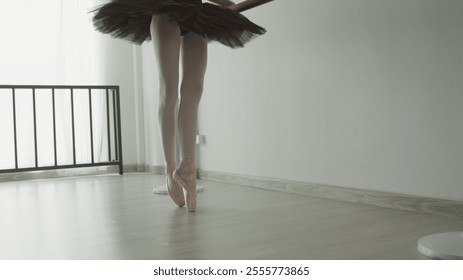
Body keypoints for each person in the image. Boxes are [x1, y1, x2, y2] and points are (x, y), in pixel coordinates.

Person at [91, 0, 266, 212]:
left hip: (196, 14)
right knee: (170, 92)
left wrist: (231, 5)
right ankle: (171, 167)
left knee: (191, 91)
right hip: (167, 11)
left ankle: (187, 166)